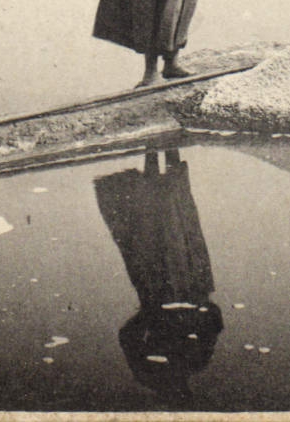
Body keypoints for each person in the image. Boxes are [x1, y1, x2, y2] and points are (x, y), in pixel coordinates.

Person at [95, 145, 223, 407]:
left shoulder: (150, 373)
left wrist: (150, 315)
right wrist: (200, 308)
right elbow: (215, 321)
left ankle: (156, 147)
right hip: (184, 284)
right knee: (173, 219)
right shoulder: (193, 362)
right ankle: (165, 146)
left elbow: (127, 337)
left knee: (152, 226)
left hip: (159, 290)